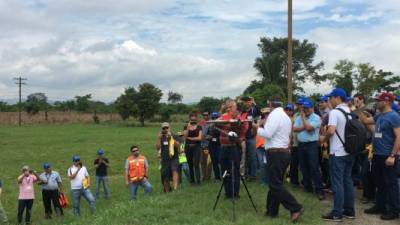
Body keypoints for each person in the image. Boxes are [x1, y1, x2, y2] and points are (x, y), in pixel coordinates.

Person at [256, 96, 303, 222]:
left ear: (271, 104)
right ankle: (272, 211)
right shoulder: (285, 116)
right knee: (275, 183)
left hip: (276, 153)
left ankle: (295, 207)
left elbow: (268, 134)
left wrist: (257, 128)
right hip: (283, 153)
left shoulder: (274, 115)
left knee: (275, 184)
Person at [359, 92, 400, 220]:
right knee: (380, 182)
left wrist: (392, 155)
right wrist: (359, 109)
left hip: (388, 155)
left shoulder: (394, 116)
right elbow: (365, 121)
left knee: (391, 183)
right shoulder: (379, 115)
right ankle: (380, 206)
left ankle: (394, 210)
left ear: (387, 102)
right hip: (377, 154)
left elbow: (399, 136)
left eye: (379, 100)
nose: (376, 102)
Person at [320, 87, 355, 222]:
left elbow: (331, 130)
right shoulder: (349, 111)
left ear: (337, 98)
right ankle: (349, 211)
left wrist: (323, 139)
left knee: (337, 183)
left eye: (330, 98)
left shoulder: (335, 112)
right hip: (349, 151)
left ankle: (337, 213)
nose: (329, 101)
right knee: (347, 181)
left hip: (338, 152)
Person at [293, 99, 324, 200]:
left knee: (314, 167)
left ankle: (319, 189)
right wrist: (305, 126)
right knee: (303, 167)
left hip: (312, 145)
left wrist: (303, 120)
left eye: (307, 108)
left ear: (312, 108)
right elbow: (294, 129)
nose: (305, 110)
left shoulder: (316, 117)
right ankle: (308, 187)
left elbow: (310, 128)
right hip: (301, 145)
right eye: (303, 108)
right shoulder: (299, 117)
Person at [216, 99, 246, 198]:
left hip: (234, 147)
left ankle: (235, 193)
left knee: (235, 171)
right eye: (227, 107)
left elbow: (244, 128)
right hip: (224, 148)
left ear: (235, 108)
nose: (229, 109)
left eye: (231, 107)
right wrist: (224, 121)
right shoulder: (223, 116)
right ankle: (227, 192)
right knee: (224, 170)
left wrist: (236, 123)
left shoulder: (238, 117)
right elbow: (215, 123)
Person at [241, 96, 261, 181]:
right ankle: (245, 174)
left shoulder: (254, 110)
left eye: (248, 101)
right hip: (243, 137)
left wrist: (254, 102)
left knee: (252, 157)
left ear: (251, 102)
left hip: (251, 136)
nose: (246, 103)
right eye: (245, 101)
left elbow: (260, 112)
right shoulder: (242, 112)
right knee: (244, 157)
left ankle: (253, 175)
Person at [156, 122, 180, 192]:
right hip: (165, 159)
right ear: (162, 129)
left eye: (167, 128)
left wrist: (171, 138)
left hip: (174, 157)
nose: (165, 129)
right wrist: (158, 138)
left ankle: (175, 189)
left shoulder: (174, 135)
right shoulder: (161, 137)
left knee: (174, 170)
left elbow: (177, 146)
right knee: (165, 175)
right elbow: (158, 148)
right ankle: (167, 191)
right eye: (164, 128)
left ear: (170, 128)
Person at [184, 113, 203, 185]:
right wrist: (188, 128)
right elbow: (184, 137)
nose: (193, 121)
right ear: (189, 119)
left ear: (197, 119)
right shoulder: (186, 126)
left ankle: (198, 181)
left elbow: (200, 138)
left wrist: (190, 138)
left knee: (196, 164)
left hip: (197, 147)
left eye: (194, 120)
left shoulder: (199, 127)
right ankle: (192, 181)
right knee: (190, 164)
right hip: (188, 147)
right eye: (192, 120)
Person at [256, 107, 271, 186]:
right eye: (265, 113)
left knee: (268, 164)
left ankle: (269, 180)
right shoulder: (259, 121)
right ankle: (264, 181)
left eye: (268, 113)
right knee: (262, 164)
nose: (266, 115)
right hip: (259, 146)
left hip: (268, 146)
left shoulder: (272, 122)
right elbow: (255, 131)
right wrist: (259, 124)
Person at [199, 112, 212, 181]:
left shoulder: (211, 124)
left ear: (209, 115)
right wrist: (202, 137)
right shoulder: (200, 123)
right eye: (204, 115)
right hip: (201, 145)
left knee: (208, 162)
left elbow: (211, 135)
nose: (205, 116)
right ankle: (203, 176)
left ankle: (208, 177)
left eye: (206, 115)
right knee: (202, 161)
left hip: (208, 145)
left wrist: (205, 137)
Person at [208, 112, 221, 181]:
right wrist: (208, 137)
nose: (215, 119)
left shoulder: (221, 126)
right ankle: (217, 177)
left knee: (220, 161)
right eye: (213, 118)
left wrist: (212, 138)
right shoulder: (210, 126)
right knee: (214, 162)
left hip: (219, 146)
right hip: (211, 146)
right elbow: (206, 135)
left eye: (216, 118)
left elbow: (220, 138)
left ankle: (223, 175)